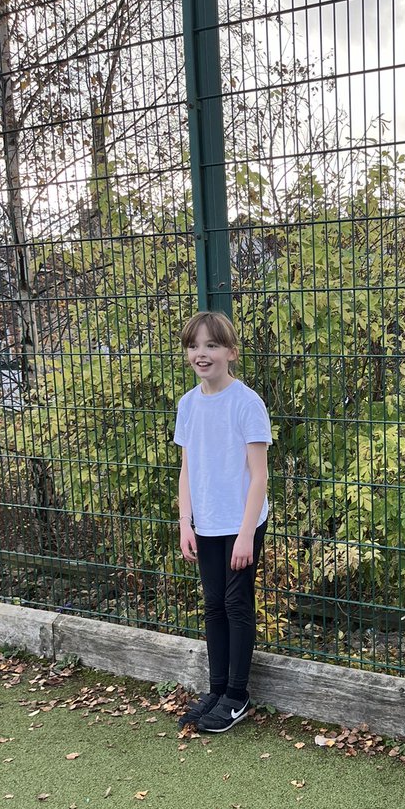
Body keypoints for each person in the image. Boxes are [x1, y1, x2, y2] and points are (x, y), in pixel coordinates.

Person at [174, 311, 272, 733]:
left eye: (212, 345)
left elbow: (260, 476)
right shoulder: (188, 405)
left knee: (236, 604)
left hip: (242, 524)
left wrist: (247, 534)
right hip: (206, 524)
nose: (202, 353)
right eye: (194, 345)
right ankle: (215, 691)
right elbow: (186, 469)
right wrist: (185, 522)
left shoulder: (247, 403)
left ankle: (236, 694)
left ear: (231, 352)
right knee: (213, 605)